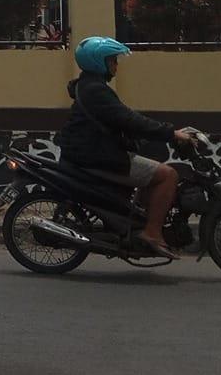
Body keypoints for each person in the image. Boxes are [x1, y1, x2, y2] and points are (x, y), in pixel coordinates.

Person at [56, 36, 193, 259]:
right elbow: (129, 119)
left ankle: (139, 221)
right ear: (98, 62)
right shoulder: (96, 90)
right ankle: (152, 232)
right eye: (112, 60)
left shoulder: (89, 86)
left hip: (89, 152)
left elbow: (122, 118)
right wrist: (170, 133)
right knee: (168, 175)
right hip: (97, 156)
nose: (115, 64)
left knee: (152, 171)